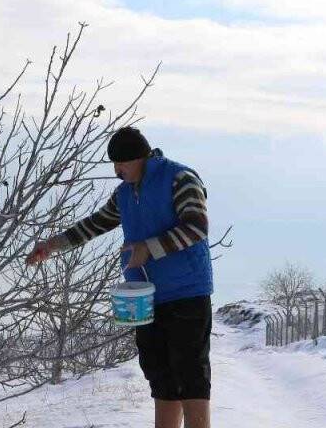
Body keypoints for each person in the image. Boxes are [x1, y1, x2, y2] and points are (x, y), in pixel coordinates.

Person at [27, 126, 213, 428]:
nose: (117, 170)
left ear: (139, 157)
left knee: (191, 376)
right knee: (160, 377)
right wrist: (52, 245)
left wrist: (149, 249)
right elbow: (95, 224)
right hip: (146, 296)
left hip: (186, 291)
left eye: (121, 163)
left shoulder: (179, 179)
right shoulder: (125, 194)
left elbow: (197, 226)